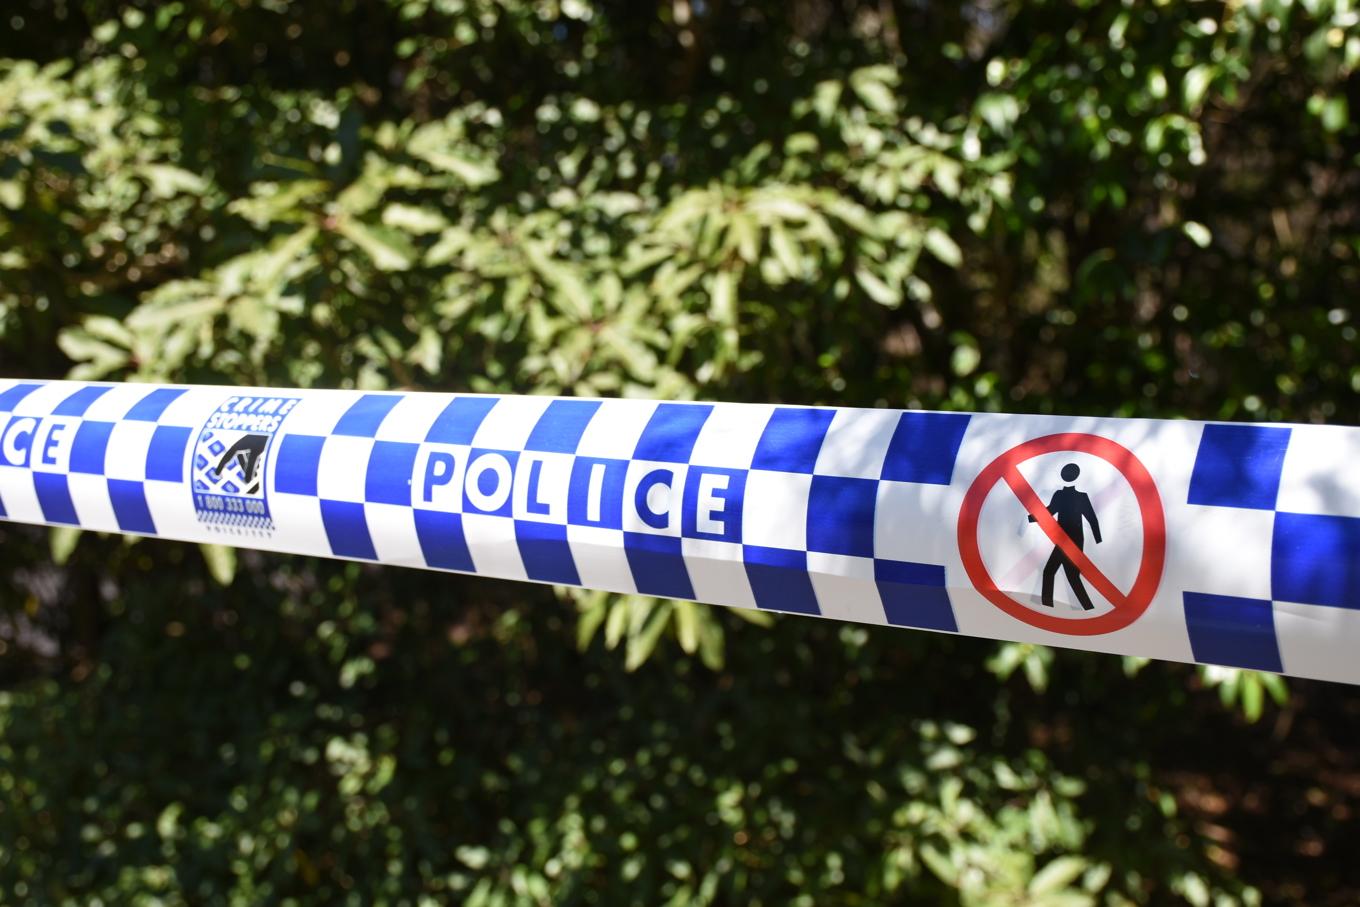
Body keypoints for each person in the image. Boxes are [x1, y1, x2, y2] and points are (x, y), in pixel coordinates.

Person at [1029, 463, 1102, 610]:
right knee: (1068, 575)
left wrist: (1031, 518)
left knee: (1056, 572)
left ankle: (1049, 605)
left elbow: (1091, 518)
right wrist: (1097, 538)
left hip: (1068, 541)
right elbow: (1091, 518)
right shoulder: (1076, 496)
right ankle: (1085, 607)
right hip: (1068, 539)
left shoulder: (1065, 496)